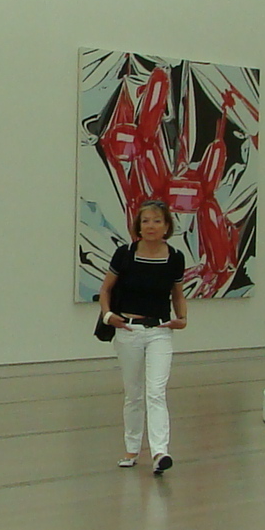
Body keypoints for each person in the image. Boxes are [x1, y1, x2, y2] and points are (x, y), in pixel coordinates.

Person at [97, 200, 189, 474]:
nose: (151, 226)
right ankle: (132, 448)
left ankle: (160, 451)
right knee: (134, 393)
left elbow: (177, 294)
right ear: (138, 226)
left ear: (167, 226)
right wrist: (108, 316)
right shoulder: (125, 254)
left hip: (160, 331)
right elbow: (105, 290)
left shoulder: (174, 257)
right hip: (129, 331)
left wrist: (182, 318)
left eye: (157, 221)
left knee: (156, 392)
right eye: (146, 221)